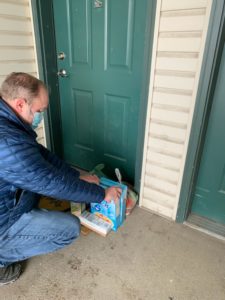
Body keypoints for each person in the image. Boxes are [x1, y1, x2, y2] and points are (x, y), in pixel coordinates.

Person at [0, 72, 121, 286]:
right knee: (68, 229)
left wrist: (79, 175)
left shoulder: (9, 123)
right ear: (20, 104)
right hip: (3, 221)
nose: (41, 117)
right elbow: (51, 183)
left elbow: (42, 158)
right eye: (39, 111)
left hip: (8, 203)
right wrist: (102, 194)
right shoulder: (8, 144)